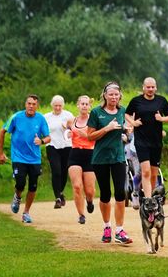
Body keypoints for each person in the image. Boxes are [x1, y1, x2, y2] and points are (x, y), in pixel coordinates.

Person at [87, 81, 133, 244]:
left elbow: (128, 131)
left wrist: (126, 135)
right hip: (100, 158)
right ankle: (107, 227)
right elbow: (90, 136)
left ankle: (119, 230)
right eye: (110, 94)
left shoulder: (123, 111)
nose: (114, 97)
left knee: (120, 193)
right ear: (105, 96)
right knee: (105, 194)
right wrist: (107, 128)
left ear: (119, 96)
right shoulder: (96, 112)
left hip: (118, 157)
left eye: (116, 94)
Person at [0, 94, 51, 224]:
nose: (31, 106)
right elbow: (2, 131)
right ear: (25, 104)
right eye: (29, 103)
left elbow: (48, 137)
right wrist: (0, 153)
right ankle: (17, 197)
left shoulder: (41, 119)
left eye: (34, 104)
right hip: (18, 157)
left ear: (37, 106)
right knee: (20, 183)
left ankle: (26, 213)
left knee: (33, 187)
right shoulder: (16, 117)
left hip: (34, 159)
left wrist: (42, 141)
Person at [126, 77, 168, 198]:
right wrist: (133, 122)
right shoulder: (136, 101)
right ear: (143, 88)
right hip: (141, 141)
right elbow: (127, 114)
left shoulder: (161, 101)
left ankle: (151, 196)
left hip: (156, 142)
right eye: (148, 87)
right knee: (146, 171)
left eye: (153, 87)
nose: (150, 89)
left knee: (153, 173)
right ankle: (148, 199)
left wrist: (161, 119)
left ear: (156, 88)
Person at [66, 95, 97, 224]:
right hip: (75, 154)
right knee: (77, 186)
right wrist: (67, 134)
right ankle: (81, 215)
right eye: (82, 103)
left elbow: (96, 137)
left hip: (90, 154)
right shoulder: (71, 121)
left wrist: (85, 135)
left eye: (86, 104)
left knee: (89, 190)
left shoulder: (94, 121)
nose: (84, 106)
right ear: (78, 105)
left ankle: (89, 201)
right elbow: (66, 131)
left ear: (90, 106)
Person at [44, 95, 74, 209]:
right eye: (55, 105)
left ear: (63, 105)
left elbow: (74, 129)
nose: (57, 108)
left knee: (64, 171)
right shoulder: (46, 117)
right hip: (52, 145)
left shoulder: (68, 115)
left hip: (67, 146)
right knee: (56, 171)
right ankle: (57, 198)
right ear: (52, 105)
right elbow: (42, 130)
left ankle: (60, 192)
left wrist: (67, 126)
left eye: (59, 105)